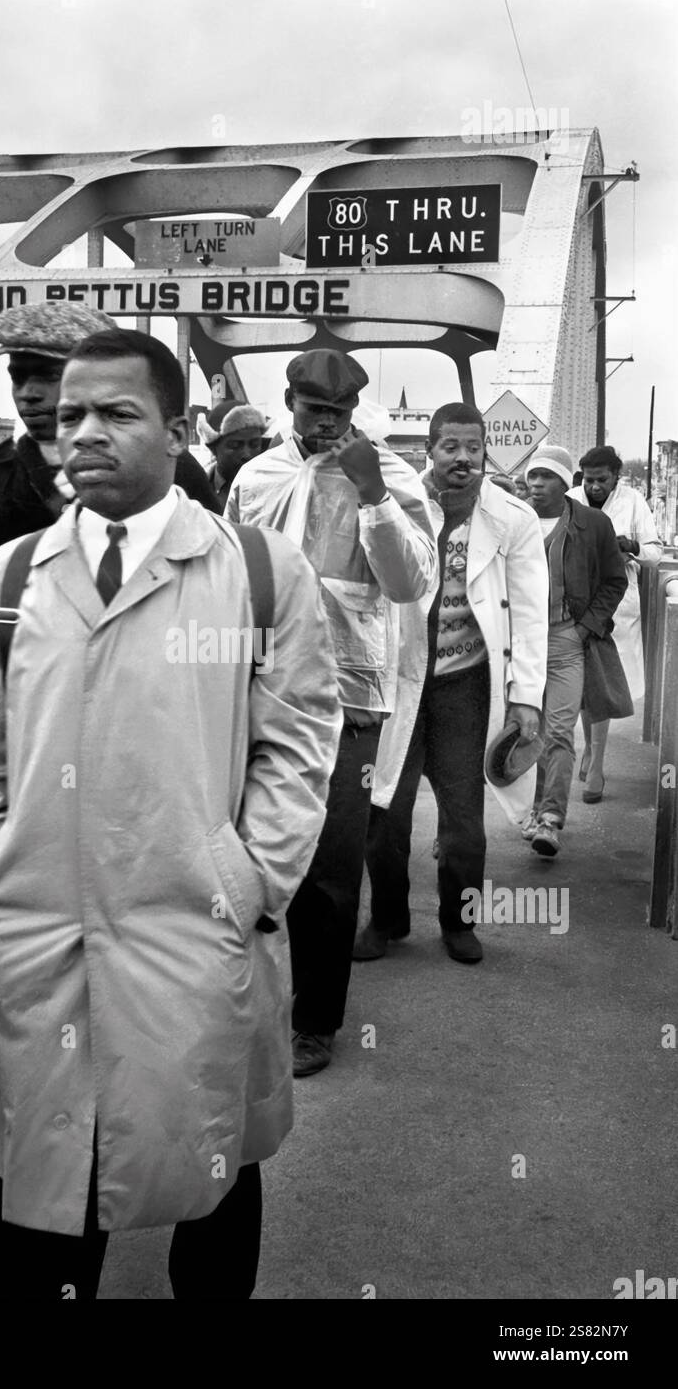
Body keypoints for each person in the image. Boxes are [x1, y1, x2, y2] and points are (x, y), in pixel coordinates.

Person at [0, 328, 342, 1300]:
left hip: (199, 929)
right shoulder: (9, 581)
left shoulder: (255, 571)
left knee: (213, 1172)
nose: (81, 431)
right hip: (45, 941)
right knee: (50, 1192)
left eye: (116, 413)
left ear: (176, 430)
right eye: (68, 413)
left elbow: (296, 740)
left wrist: (251, 879)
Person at [226, 349, 437, 1076]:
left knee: (329, 863)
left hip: (349, 701)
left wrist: (371, 493)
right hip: (258, 687)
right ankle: (246, 1004)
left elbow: (408, 585)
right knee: (242, 851)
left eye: (341, 413)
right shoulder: (255, 477)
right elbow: (229, 569)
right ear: (289, 404)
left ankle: (315, 1022)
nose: (328, 425)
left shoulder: (391, 476)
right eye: (316, 411)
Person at [358, 402, 548, 961]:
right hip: (399, 682)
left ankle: (458, 922)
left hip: (466, 689)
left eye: (473, 448)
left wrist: (525, 698)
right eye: (451, 448)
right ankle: (388, 920)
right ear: (430, 450)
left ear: (485, 450)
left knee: (464, 822)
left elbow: (531, 615)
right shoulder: (398, 503)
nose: (463, 459)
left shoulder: (512, 518)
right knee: (383, 814)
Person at [0, 304, 222, 587]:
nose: (28, 393)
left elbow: (217, 572)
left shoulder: (168, 465)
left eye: (48, 376)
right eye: (18, 377)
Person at [521, 445, 627, 856]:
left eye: (546, 476)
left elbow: (614, 581)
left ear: (567, 483)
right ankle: (527, 811)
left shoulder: (592, 524)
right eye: (533, 475)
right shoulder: (514, 519)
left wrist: (585, 628)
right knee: (520, 731)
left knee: (559, 731)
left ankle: (550, 819)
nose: (536, 483)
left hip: (567, 639)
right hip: (519, 642)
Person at [568, 445, 662, 801]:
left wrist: (632, 544)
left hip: (617, 608)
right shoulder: (570, 498)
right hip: (578, 606)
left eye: (601, 480)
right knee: (582, 685)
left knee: (602, 689)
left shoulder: (633, 501)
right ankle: (590, 749)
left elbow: (654, 555)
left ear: (615, 478)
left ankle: (596, 765)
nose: (594, 487)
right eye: (589, 479)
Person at [197, 399, 267, 509]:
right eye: (235, 446)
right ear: (213, 448)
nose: (247, 455)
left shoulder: (274, 489)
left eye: (254, 444)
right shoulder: (194, 492)